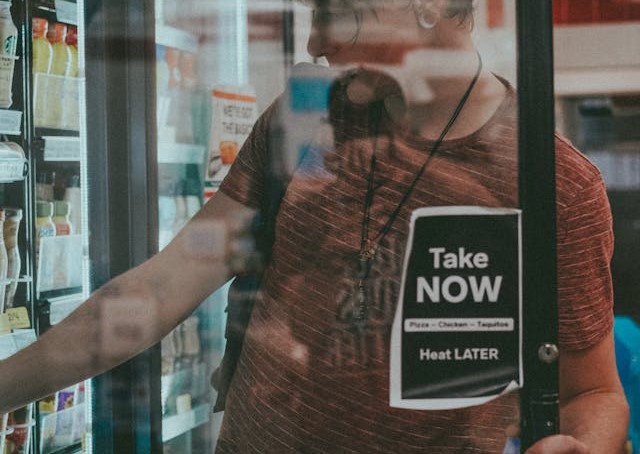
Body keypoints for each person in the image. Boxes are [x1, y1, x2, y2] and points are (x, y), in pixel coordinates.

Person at [0, 0, 629, 452]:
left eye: (338, 11)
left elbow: (597, 394)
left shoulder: (553, 184)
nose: (316, 44)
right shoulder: (304, 116)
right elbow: (165, 283)